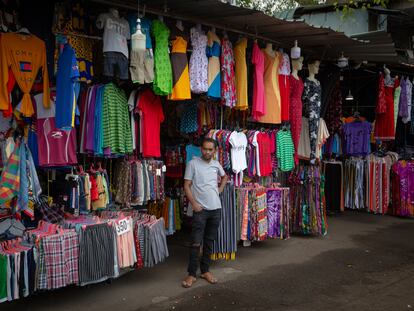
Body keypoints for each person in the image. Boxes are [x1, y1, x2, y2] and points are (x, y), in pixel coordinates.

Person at [181, 137, 228, 288]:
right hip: (200, 210)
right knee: (195, 242)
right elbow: (187, 185)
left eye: (210, 149)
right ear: (201, 149)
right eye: (205, 149)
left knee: (209, 241)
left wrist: (220, 189)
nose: (207, 152)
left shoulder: (216, 164)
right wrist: (194, 203)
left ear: (214, 151)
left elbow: (225, 176)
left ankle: (205, 270)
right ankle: (191, 274)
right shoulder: (193, 163)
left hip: (216, 209)